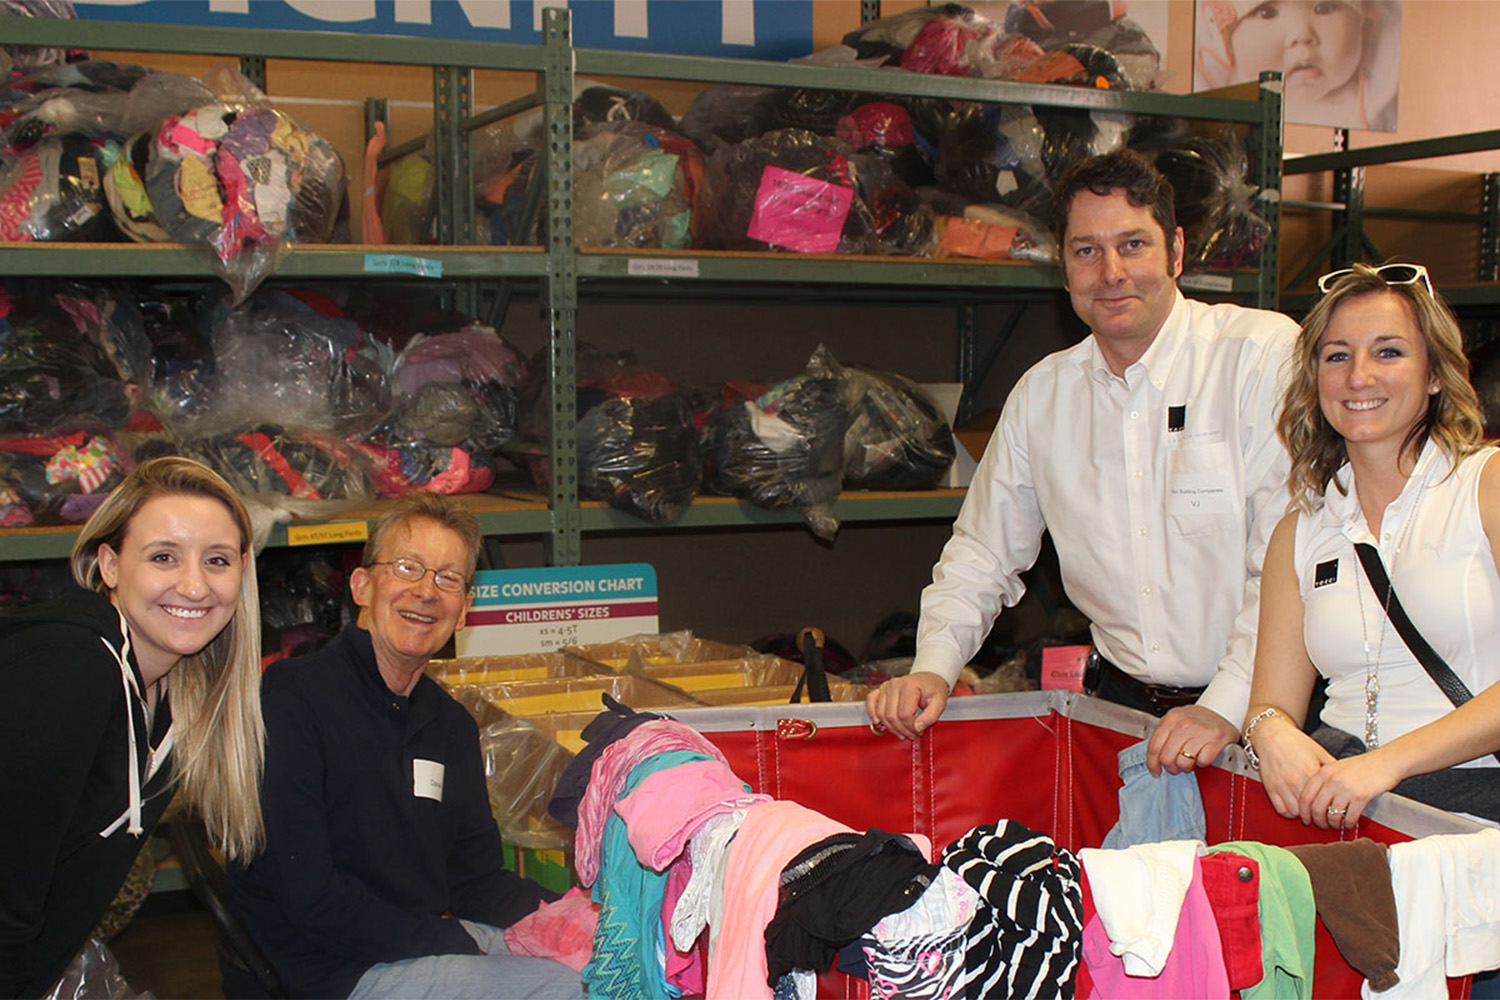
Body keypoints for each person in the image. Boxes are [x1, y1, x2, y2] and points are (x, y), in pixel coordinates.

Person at [867, 149, 1299, 776]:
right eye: (1087, 251)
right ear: (1063, 269)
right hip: (1125, 718)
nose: (1112, 272)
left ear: (1176, 251)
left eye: (1134, 244)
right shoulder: (1043, 396)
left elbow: (1290, 561)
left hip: (1263, 717)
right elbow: (982, 554)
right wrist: (933, 663)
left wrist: (1226, 706)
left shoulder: (1260, 360)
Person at [225, 492, 583, 1000]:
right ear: (362, 585)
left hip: (411, 943)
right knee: (572, 993)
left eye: (448, 578)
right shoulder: (292, 698)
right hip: (320, 970)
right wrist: (455, 941)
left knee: (603, 968)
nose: (426, 592)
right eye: (408, 567)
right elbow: (310, 896)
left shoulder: (449, 726)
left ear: (464, 611)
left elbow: (474, 879)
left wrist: (576, 915)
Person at [1243, 262, 1500, 829]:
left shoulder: (1486, 486)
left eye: (1388, 352)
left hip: (1472, 815)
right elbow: (1269, 701)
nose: (1359, 376)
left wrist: (1385, 765)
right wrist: (1272, 733)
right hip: (1340, 811)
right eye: (1337, 355)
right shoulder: (1301, 529)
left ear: (1435, 374)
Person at [0, 456, 264, 998]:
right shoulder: (69, 671)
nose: (194, 587)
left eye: (216, 560)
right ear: (111, 565)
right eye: (163, 556)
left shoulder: (168, 696)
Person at [1195, 1, 1399, 132]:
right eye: (1267, 13)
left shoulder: (1383, 103)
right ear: (1223, 40)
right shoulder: (1212, 98)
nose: (1302, 35)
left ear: (1364, 23)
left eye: (1324, 8)